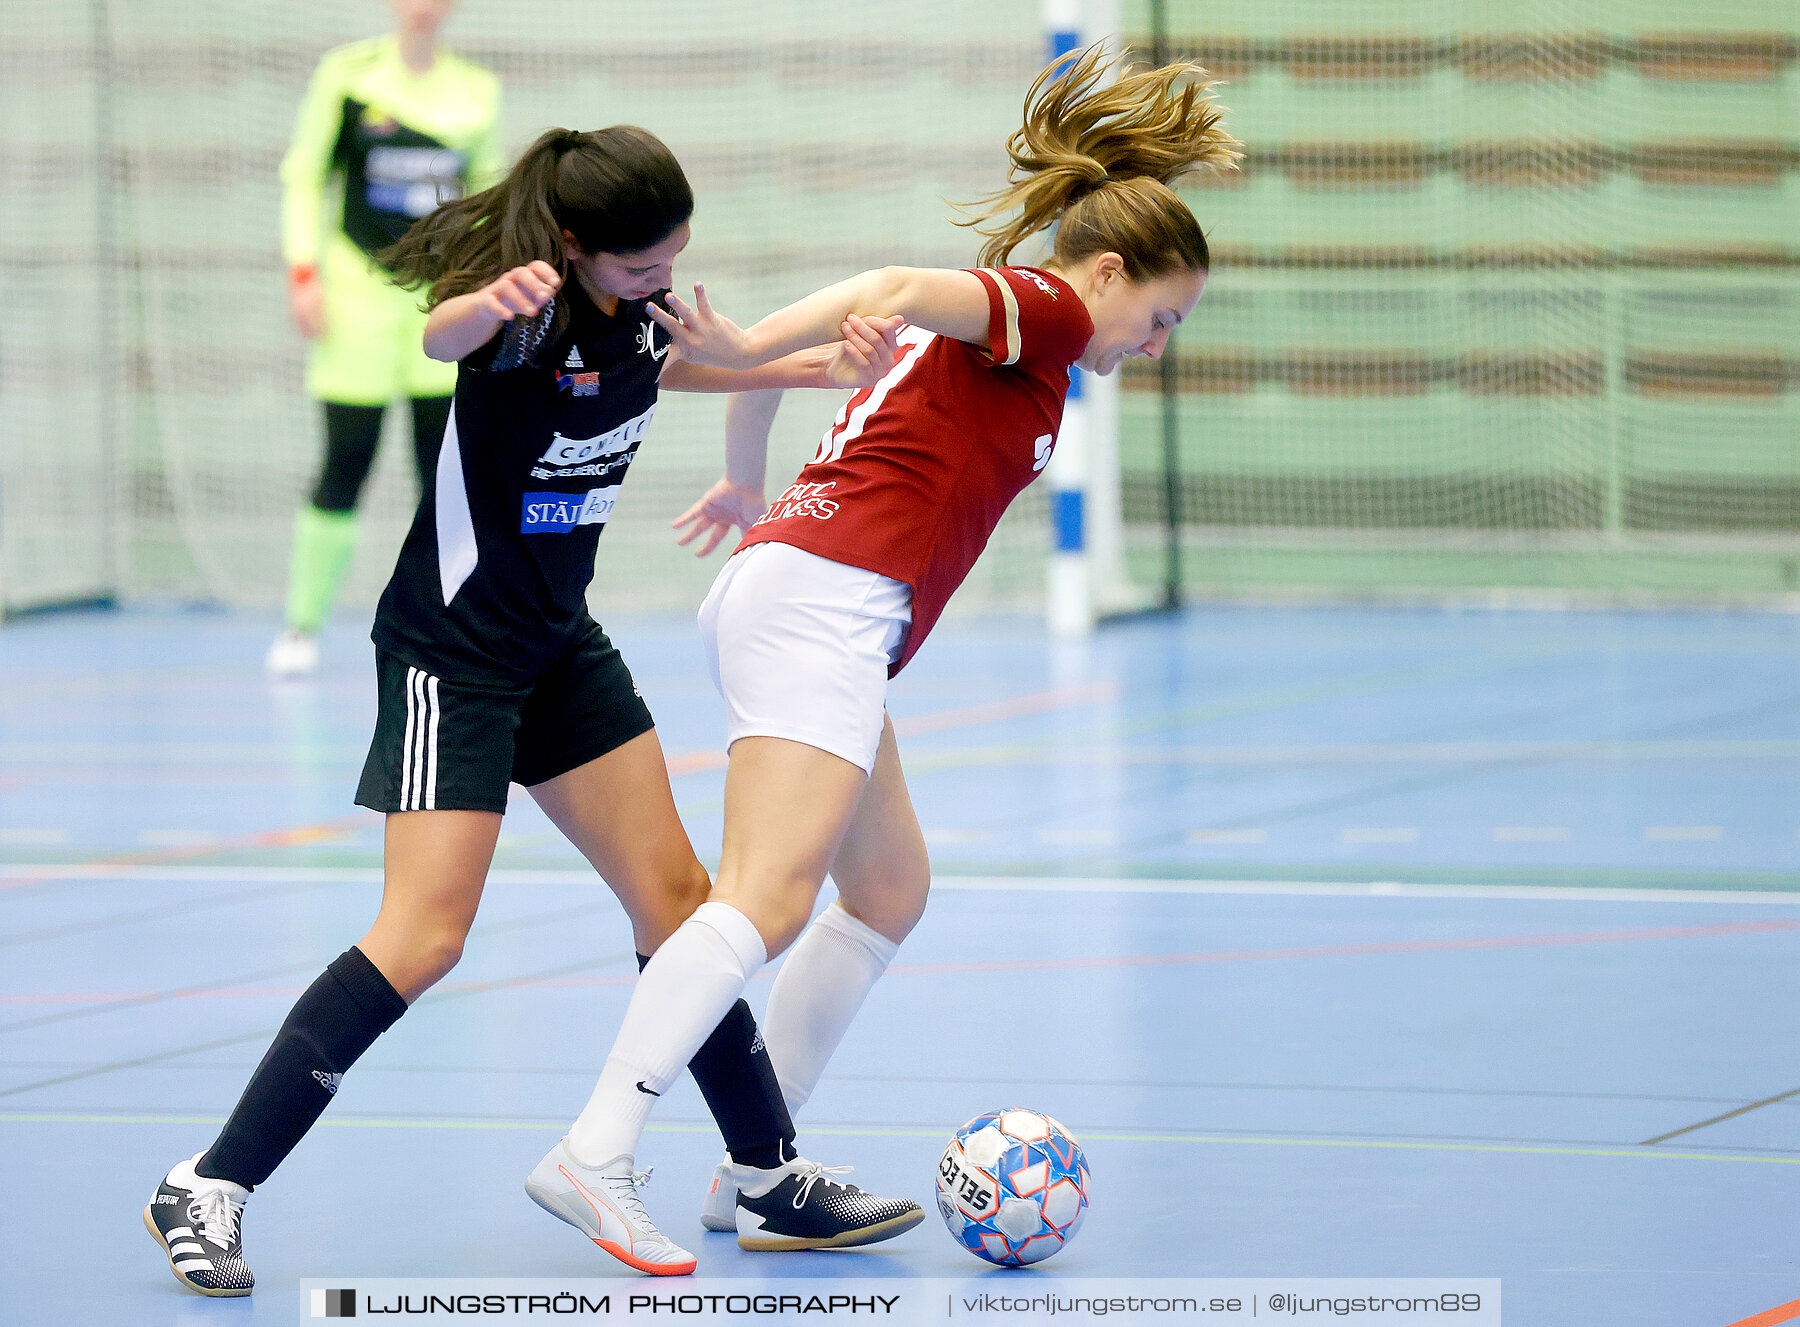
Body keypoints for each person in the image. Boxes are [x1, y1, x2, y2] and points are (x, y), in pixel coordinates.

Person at [144, 125, 922, 1295]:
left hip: (561, 649)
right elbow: (438, 333)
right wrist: (484, 301)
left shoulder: (634, 319)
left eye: (675, 259)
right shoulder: (522, 316)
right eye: (640, 265)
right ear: (571, 246)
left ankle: (768, 1175)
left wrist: (821, 372)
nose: (662, 282)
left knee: (680, 907)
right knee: (424, 937)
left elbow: (686, 365)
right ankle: (206, 1182)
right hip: (449, 657)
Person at [544, 43, 1240, 1244]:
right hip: (825, 598)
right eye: (1161, 317)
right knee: (765, 896)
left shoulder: (1029, 339)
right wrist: (755, 344)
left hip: (813, 593)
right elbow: (889, 284)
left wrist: (743, 483)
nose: (1158, 344)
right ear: (1111, 273)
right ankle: (596, 1146)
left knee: (888, 887)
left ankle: (756, 1175)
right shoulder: (1049, 307)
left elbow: (848, 344)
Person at [267, 0, 502, 677]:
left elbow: (487, 201)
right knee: (347, 455)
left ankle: (448, 624)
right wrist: (304, 273)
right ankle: (302, 625)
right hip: (354, 297)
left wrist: (481, 292)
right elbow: (305, 175)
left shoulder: (476, 92)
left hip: (438, 299)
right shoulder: (346, 78)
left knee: (443, 467)